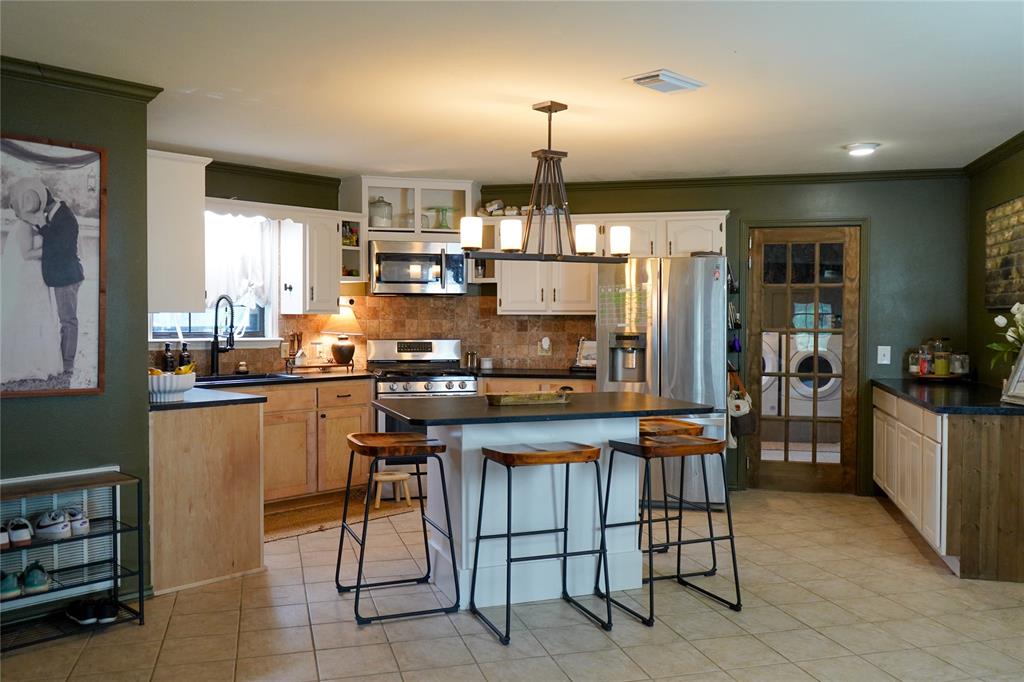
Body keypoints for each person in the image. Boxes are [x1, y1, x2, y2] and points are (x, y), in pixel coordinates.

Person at [8, 177, 85, 376]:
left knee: (68, 320)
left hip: (67, 277)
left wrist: (42, 226)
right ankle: (62, 358)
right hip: (60, 276)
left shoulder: (63, 216)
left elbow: (59, 247)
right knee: (64, 319)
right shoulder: (54, 214)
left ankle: (67, 363)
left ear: (44, 203)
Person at [1, 186, 63, 384]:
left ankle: (40, 359)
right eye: (29, 202)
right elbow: (26, 254)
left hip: (37, 275)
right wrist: (52, 249)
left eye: (35, 202)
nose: (33, 206)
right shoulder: (23, 226)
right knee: (28, 312)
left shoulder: (34, 224)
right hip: (28, 275)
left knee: (40, 312)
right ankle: (24, 361)